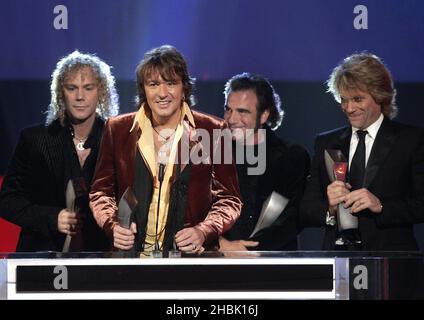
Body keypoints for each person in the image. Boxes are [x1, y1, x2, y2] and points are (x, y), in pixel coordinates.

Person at [89, 45, 242, 255]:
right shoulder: (117, 129)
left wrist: (203, 231)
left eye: (171, 83)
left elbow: (230, 200)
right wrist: (112, 225)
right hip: (130, 260)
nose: (162, 93)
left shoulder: (213, 130)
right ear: (144, 89)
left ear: (183, 88)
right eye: (153, 84)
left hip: (189, 262)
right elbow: (100, 192)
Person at [300, 52, 424, 251]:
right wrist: (330, 207)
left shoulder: (410, 140)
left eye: (358, 99)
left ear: (380, 96)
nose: (349, 108)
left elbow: (420, 204)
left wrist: (380, 205)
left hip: (390, 259)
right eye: (343, 100)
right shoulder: (326, 143)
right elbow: (306, 210)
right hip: (337, 259)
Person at [0, 51, 119, 252]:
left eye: (88, 88)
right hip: (42, 258)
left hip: (101, 258)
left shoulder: (117, 140)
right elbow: (7, 201)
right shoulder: (33, 140)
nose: (80, 96)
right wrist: (52, 218)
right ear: (60, 92)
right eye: (72, 88)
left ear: (101, 91)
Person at [219, 73, 310, 251]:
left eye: (242, 112)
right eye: (228, 110)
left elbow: (292, 217)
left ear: (264, 115)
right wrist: (222, 245)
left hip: (272, 265)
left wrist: (247, 250)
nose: (232, 119)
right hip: (219, 263)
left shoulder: (290, 156)